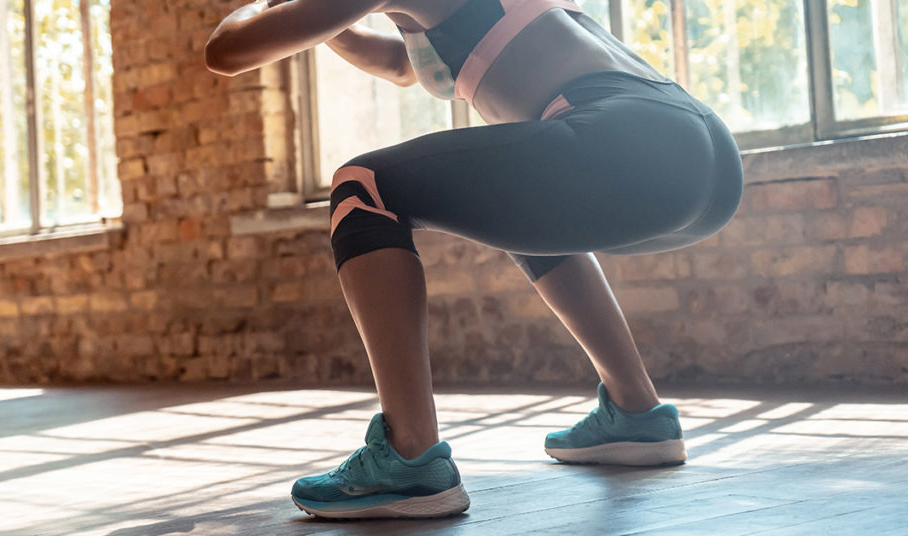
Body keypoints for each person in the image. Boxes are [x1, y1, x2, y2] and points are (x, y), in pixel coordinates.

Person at [205, 0, 743, 520]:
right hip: (698, 157)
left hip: (620, 138)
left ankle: (410, 455)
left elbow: (226, 51)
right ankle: (636, 414)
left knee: (363, 187)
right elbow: (402, 65)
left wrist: (261, 6)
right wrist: (330, 25)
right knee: (524, 206)